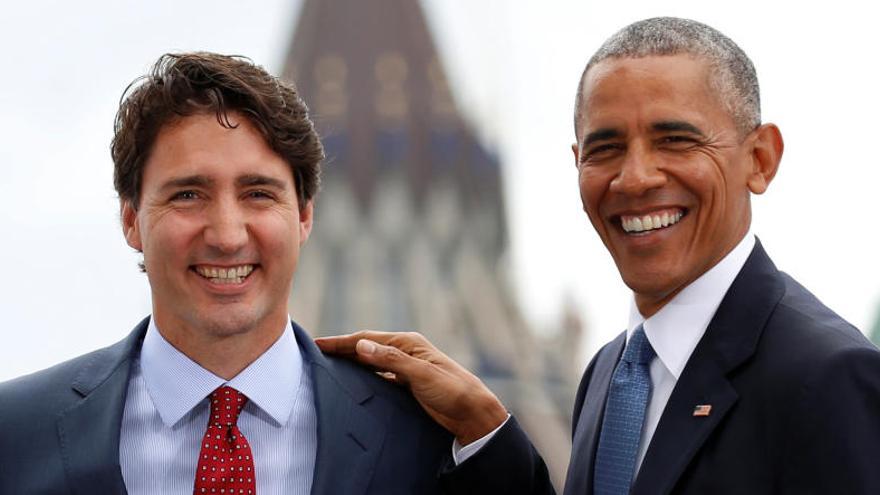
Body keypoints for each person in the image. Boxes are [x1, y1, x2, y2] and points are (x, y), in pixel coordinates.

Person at [316, 17, 880, 494]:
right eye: (606, 148)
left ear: (760, 159)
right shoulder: (614, 371)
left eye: (675, 141)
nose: (634, 178)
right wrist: (484, 426)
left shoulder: (826, 377)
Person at [0, 52, 455, 494]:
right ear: (131, 220)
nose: (227, 235)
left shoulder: (432, 439)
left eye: (257, 193)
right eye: (188, 195)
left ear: (304, 217)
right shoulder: (14, 434)